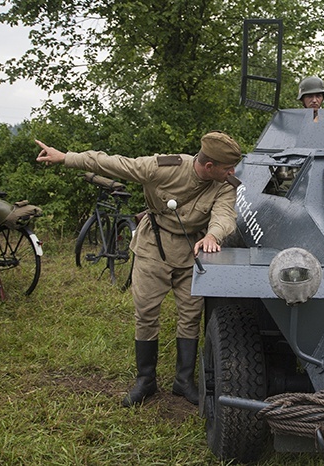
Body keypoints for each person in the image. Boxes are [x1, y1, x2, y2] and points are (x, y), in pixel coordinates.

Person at [35, 131, 242, 407]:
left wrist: (212, 236)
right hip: (152, 247)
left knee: (190, 315)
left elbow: (225, 215)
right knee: (145, 312)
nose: (233, 172)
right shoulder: (164, 168)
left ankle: (183, 381)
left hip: (192, 250)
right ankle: (146, 381)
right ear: (209, 166)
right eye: (228, 168)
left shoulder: (225, 184)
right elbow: (114, 163)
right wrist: (66, 158)